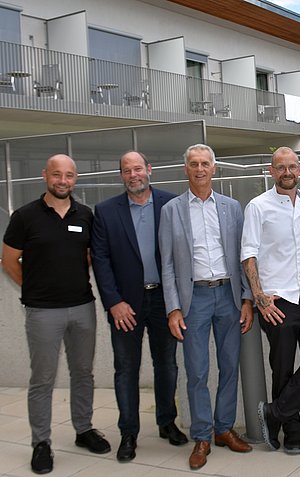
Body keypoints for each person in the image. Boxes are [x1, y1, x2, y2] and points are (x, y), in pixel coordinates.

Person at [2, 154, 111, 474]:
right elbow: (9, 262)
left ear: (75, 179)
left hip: (81, 307)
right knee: (43, 379)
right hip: (42, 312)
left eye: (69, 176)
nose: (63, 181)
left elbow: (89, 257)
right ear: (45, 176)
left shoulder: (86, 215)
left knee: (83, 373)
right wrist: (33, 290)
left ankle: (83, 429)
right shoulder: (24, 217)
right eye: (57, 175)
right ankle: (41, 442)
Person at [159, 144, 254, 470]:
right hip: (193, 300)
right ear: (186, 169)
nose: (200, 169)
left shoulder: (231, 207)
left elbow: (245, 257)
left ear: (215, 169)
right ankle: (201, 435)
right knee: (197, 371)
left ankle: (223, 429)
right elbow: (167, 265)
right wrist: (173, 308)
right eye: (194, 164)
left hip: (227, 295)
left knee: (229, 367)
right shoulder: (171, 210)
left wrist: (247, 299)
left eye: (205, 164)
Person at [91, 151, 187, 463]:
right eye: (126, 171)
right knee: (126, 369)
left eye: (138, 169)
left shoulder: (171, 204)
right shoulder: (105, 212)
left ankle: (166, 422)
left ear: (149, 170)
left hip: (164, 300)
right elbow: (101, 261)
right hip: (125, 305)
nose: (134, 175)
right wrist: (114, 302)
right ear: (121, 175)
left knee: (167, 365)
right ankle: (128, 433)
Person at [242, 146, 300, 455]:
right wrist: (259, 297)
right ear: (272, 171)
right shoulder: (258, 206)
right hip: (278, 301)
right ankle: (292, 432)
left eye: (292, 167)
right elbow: (248, 254)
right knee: (282, 370)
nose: (287, 172)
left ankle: (274, 413)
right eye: (281, 167)